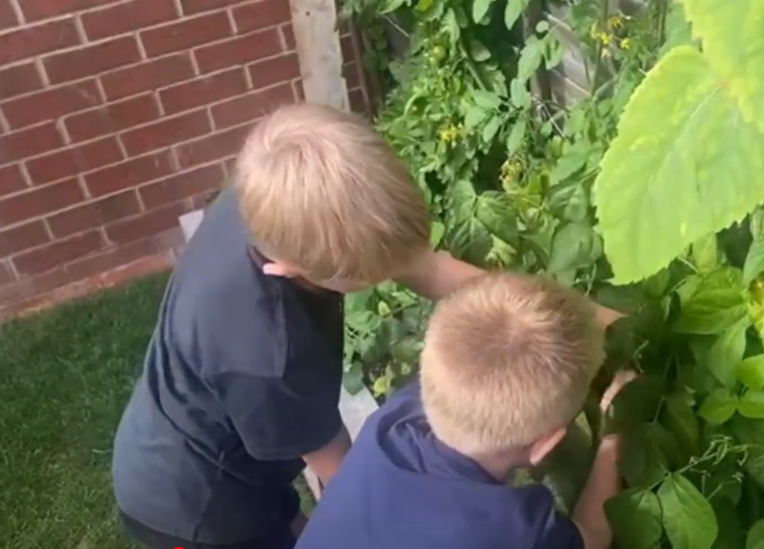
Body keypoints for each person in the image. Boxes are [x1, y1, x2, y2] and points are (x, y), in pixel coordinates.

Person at [110, 103, 619, 549]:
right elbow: (344, 479)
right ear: (293, 268)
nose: (386, 278)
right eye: (367, 277)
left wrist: (586, 319)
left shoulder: (277, 202)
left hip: (209, 430)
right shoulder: (272, 358)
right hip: (196, 504)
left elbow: (424, 266)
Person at [294, 273, 633, 549]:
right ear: (544, 444)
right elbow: (592, 536)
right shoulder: (517, 528)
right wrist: (613, 435)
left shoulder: (389, 425)